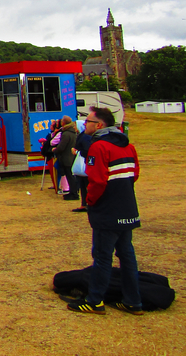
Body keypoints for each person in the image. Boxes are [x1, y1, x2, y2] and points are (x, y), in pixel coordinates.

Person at [68, 107, 143, 315]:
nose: (86, 125)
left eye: (89, 121)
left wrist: (91, 202)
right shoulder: (128, 146)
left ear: (99, 125)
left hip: (107, 210)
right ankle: (133, 301)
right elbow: (134, 174)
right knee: (127, 255)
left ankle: (95, 300)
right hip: (127, 207)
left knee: (102, 256)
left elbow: (97, 180)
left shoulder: (99, 147)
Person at [53, 115, 79, 201]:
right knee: (71, 176)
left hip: (66, 158)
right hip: (72, 157)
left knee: (70, 176)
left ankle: (73, 193)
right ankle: (73, 192)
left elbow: (62, 147)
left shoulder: (66, 134)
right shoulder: (73, 133)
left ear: (63, 122)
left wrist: (55, 150)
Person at [71, 121, 92, 213]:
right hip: (82, 164)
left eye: (75, 125)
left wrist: (77, 151)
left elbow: (87, 150)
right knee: (82, 185)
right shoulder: (81, 135)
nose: (74, 127)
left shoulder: (85, 137)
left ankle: (88, 204)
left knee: (86, 185)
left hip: (84, 163)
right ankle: (84, 204)